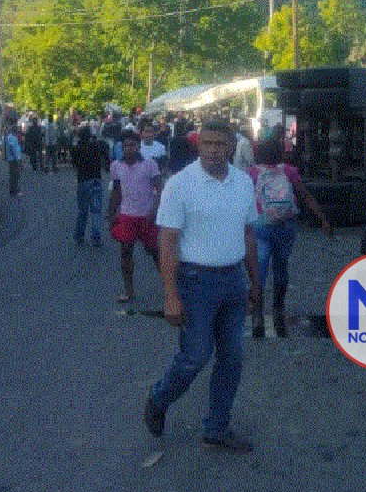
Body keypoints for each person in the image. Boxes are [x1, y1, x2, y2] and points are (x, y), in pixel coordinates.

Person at [145, 118, 260, 452]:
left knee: (232, 358)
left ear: (231, 146)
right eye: (207, 143)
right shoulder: (180, 184)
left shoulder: (242, 182)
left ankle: (217, 428)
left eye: (220, 144)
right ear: (199, 144)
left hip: (235, 280)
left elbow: (249, 233)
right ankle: (159, 397)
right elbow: (167, 241)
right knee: (195, 357)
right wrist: (170, 296)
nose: (213, 150)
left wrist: (255, 282)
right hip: (196, 282)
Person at [246, 139, 331, 338]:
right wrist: (323, 220)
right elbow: (304, 195)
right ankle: (278, 307)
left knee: (259, 271)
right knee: (281, 269)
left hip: (260, 226)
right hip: (286, 227)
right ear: (280, 153)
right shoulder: (290, 171)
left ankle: (258, 314)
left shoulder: (252, 173)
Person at [107, 130, 162, 303]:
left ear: (138, 146)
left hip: (147, 216)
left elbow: (159, 189)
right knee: (125, 253)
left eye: (132, 145)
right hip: (126, 215)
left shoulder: (149, 164)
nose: (128, 148)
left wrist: (155, 210)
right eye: (125, 146)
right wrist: (111, 212)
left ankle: (170, 289)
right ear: (121, 148)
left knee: (156, 254)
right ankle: (129, 291)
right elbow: (116, 190)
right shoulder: (116, 166)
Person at [71, 125, 109, 247]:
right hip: (95, 180)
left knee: (82, 210)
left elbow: (74, 164)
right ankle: (95, 237)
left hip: (82, 181)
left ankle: (79, 235)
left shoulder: (76, 148)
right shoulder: (97, 146)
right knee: (96, 211)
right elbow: (106, 156)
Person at [4, 123, 24, 197]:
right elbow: (14, 149)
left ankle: (12, 190)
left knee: (13, 175)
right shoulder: (13, 138)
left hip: (10, 159)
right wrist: (18, 159)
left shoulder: (8, 137)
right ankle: (15, 191)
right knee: (15, 175)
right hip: (14, 159)